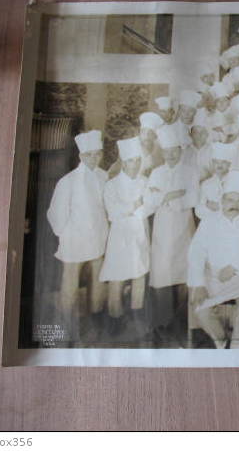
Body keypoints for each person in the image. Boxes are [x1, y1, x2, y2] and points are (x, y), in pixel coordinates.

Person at [188, 170, 239, 349]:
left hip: (238, 275)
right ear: (222, 201)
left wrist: (234, 267)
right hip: (211, 277)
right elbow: (196, 252)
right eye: (230, 200)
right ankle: (222, 340)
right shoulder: (209, 221)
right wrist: (198, 284)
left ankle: (237, 348)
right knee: (200, 308)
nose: (235, 205)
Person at [46, 130, 109, 340]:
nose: (94, 158)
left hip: (98, 238)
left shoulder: (103, 176)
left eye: (97, 154)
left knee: (98, 280)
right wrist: (65, 234)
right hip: (74, 240)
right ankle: (66, 322)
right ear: (81, 156)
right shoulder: (68, 181)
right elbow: (56, 213)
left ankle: (95, 318)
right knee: (71, 281)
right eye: (89, 154)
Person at [145, 125, 198, 340]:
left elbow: (193, 199)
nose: (172, 154)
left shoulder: (190, 172)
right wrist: (172, 194)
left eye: (175, 150)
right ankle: (162, 325)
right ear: (163, 152)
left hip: (184, 228)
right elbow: (149, 202)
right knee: (162, 274)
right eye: (168, 151)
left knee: (184, 274)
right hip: (163, 230)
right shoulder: (156, 173)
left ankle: (182, 321)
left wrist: (167, 199)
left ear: (181, 150)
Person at [99, 137, 153, 336]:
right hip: (120, 237)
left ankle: (137, 314)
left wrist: (134, 209)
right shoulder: (112, 185)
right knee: (117, 275)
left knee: (139, 274)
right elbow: (113, 213)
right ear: (123, 161)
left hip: (139, 232)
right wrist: (135, 205)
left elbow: (149, 206)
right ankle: (115, 316)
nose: (135, 164)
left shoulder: (145, 182)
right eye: (131, 160)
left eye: (138, 160)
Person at [195, 141, 237, 220]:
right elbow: (198, 210)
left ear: (229, 164)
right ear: (212, 163)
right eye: (216, 162)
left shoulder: (236, 182)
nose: (219, 165)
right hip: (211, 224)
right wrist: (210, 211)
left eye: (223, 162)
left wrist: (218, 207)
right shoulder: (206, 184)